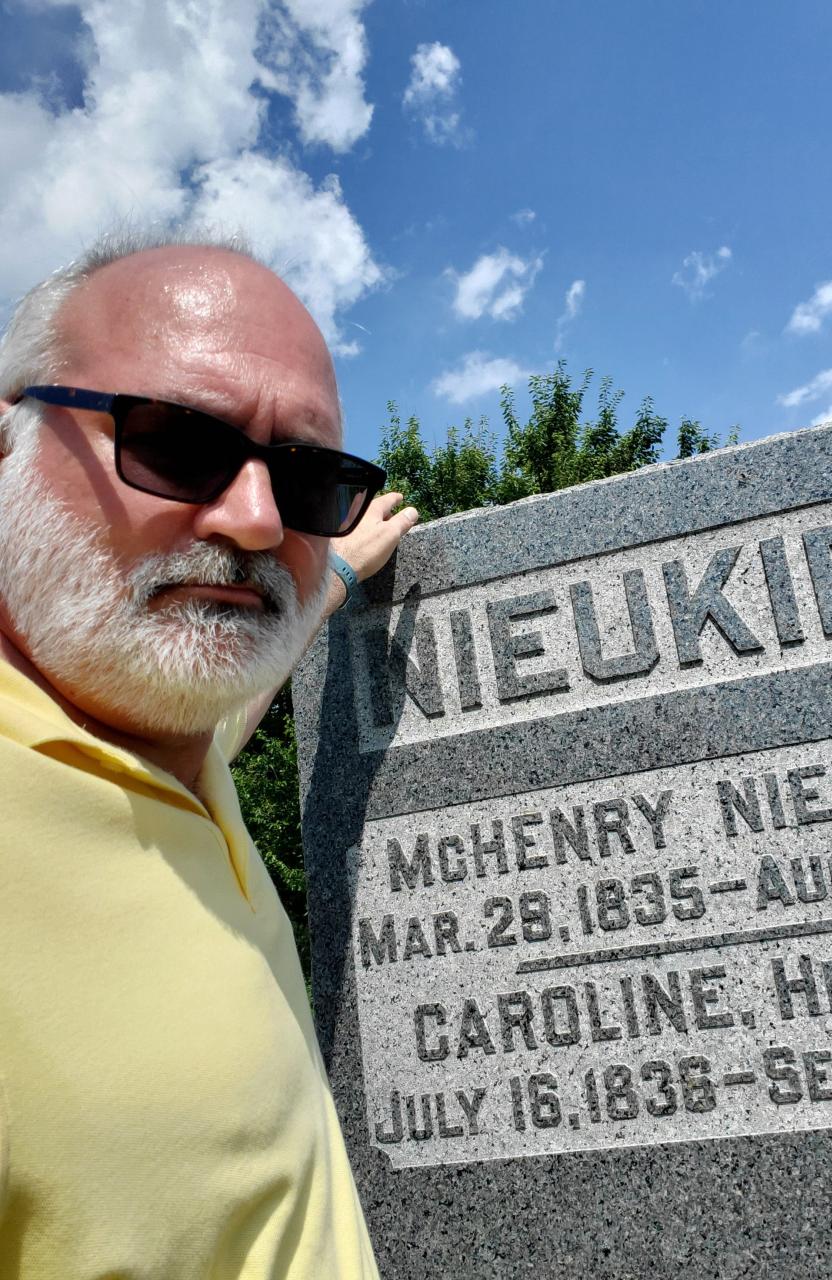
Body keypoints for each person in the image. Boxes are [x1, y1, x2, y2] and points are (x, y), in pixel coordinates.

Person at [0, 231, 417, 1278]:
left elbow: (230, 698)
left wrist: (336, 577)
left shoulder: (171, 746)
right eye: (177, 443)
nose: (257, 517)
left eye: (311, 479)